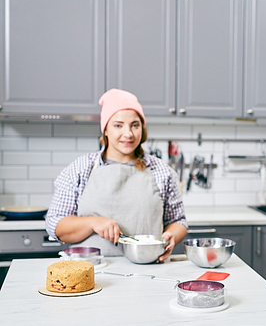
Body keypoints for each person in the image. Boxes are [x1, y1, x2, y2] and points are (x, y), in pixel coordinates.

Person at [46, 89, 187, 261]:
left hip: (148, 270)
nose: (128, 134)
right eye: (118, 125)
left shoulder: (162, 172)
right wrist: (93, 222)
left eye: (135, 125)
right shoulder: (80, 168)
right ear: (105, 129)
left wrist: (171, 235)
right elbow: (55, 225)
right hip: (89, 272)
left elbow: (178, 221)